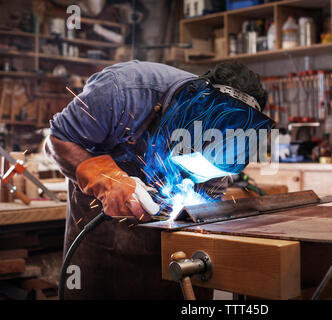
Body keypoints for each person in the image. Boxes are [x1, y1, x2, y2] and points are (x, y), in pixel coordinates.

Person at [45, 60, 272, 299]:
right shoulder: (123, 89)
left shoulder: (230, 141)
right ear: (195, 104)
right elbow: (59, 140)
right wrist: (109, 181)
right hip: (101, 244)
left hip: (173, 261)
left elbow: (208, 207)